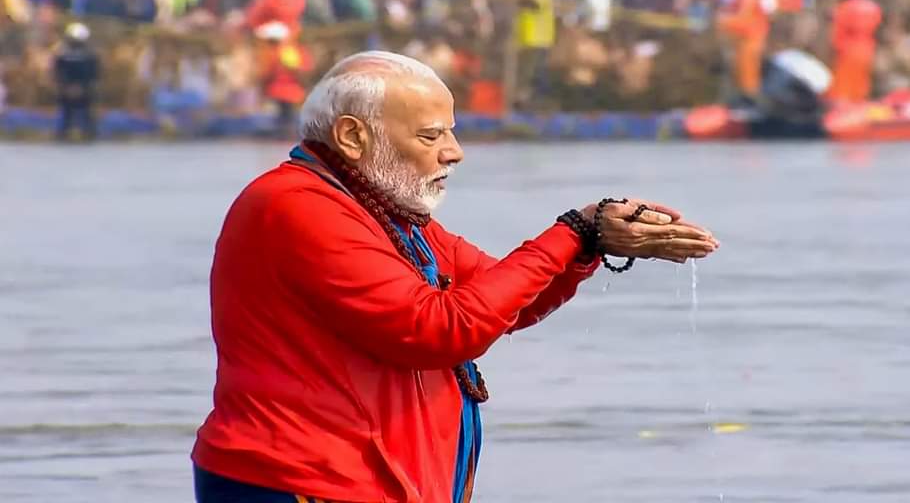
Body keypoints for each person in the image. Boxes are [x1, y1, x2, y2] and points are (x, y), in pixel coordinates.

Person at [191, 51, 720, 503]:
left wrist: (590, 244)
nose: (454, 151)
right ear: (352, 136)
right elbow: (440, 331)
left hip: (372, 479)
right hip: (302, 481)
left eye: (452, 131)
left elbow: (508, 301)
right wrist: (573, 232)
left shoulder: (381, 210)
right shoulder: (297, 206)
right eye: (431, 134)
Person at [828, 0, 881, 103]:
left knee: (843, 90)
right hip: (867, 49)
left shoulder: (844, 8)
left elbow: (837, 32)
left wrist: (835, 48)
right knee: (861, 86)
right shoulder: (873, 7)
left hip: (848, 50)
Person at [717, 0, 771, 97]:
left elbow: (745, 19)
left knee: (748, 81)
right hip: (743, 41)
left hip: (752, 41)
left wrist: (721, 21)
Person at [54, 22, 99, 141]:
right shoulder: (62, 56)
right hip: (66, 90)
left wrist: (82, 87)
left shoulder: (90, 56)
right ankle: (64, 130)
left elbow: (93, 75)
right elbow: (58, 74)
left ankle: (88, 130)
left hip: (85, 90)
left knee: (87, 108)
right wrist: (67, 87)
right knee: (66, 109)